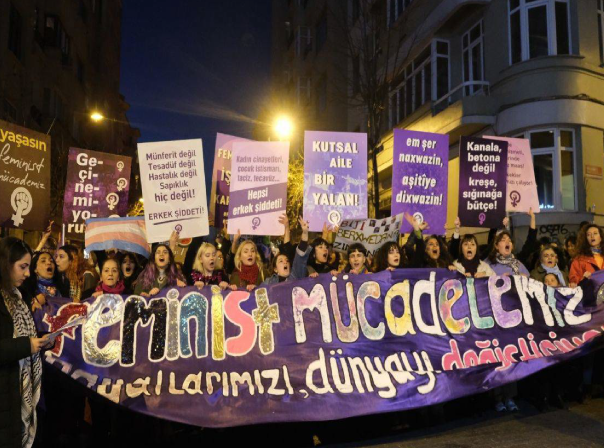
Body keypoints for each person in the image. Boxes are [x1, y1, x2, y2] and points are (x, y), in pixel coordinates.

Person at [0, 237, 55, 448]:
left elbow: (22, 334)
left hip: (15, 395)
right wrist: (27, 346)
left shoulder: (18, 297)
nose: (27, 273)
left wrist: (42, 339)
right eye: (22, 267)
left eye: (28, 267)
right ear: (6, 264)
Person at [486, 210, 537, 277]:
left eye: (509, 240)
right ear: (496, 246)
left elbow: (530, 244)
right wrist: (499, 224)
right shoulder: (489, 263)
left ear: (512, 246)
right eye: (503, 240)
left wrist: (533, 218)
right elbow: (491, 242)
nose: (507, 242)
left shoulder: (518, 261)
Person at [262, 218, 312, 285]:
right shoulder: (268, 282)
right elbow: (259, 291)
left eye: (287, 260)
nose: (285, 262)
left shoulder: (295, 276)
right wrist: (253, 288)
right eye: (281, 261)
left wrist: (305, 233)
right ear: (275, 269)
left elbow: (300, 256)